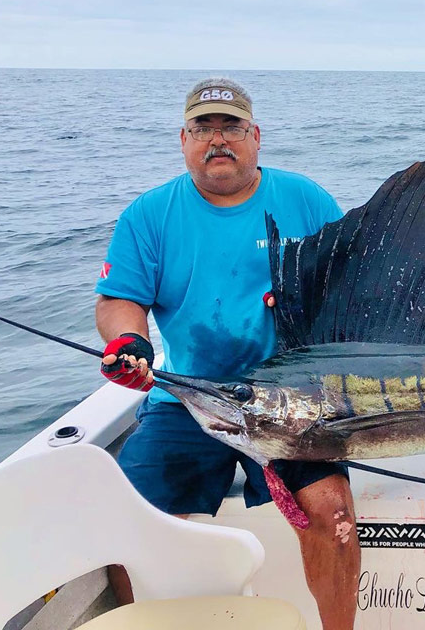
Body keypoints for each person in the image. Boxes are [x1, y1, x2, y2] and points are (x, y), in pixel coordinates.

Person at [95, 77, 359, 630]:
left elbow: (353, 286)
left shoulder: (305, 200)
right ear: (184, 139)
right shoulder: (150, 215)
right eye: (204, 128)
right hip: (193, 399)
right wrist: (130, 342)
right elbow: (121, 299)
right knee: (119, 521)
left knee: (332, 510)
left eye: (231, 127)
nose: (219, 140)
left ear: (255, 135)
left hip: (296, 402)